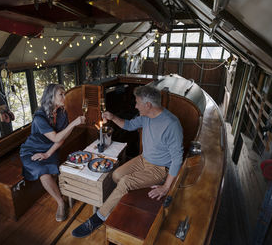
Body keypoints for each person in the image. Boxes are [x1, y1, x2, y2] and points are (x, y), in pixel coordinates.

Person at [72, 85, 183, 237]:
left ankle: (98, 218)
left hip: (160, 168)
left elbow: (177, 159)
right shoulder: (146, 116)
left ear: (148, 105)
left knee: (125, 182)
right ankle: (118, 201)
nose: (135, 106)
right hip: (144, 159)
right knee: (116, 175)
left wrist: (165, 187)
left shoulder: (171, 124)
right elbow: (129, 125)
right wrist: (112, 117)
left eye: (137, 102)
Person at [20, 84, 86, 222]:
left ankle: (57, 191)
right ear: (51, 97)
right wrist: (74, 123)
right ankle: (61, 203)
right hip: (32, 149)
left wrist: (48, 154)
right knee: (43, 171)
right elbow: (56, 137)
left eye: (64, 93)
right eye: (61, 94)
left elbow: (62, 139)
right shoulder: (39, 117)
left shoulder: (62, 112)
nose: (64, 97)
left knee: (52, 166)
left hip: (50, 148)